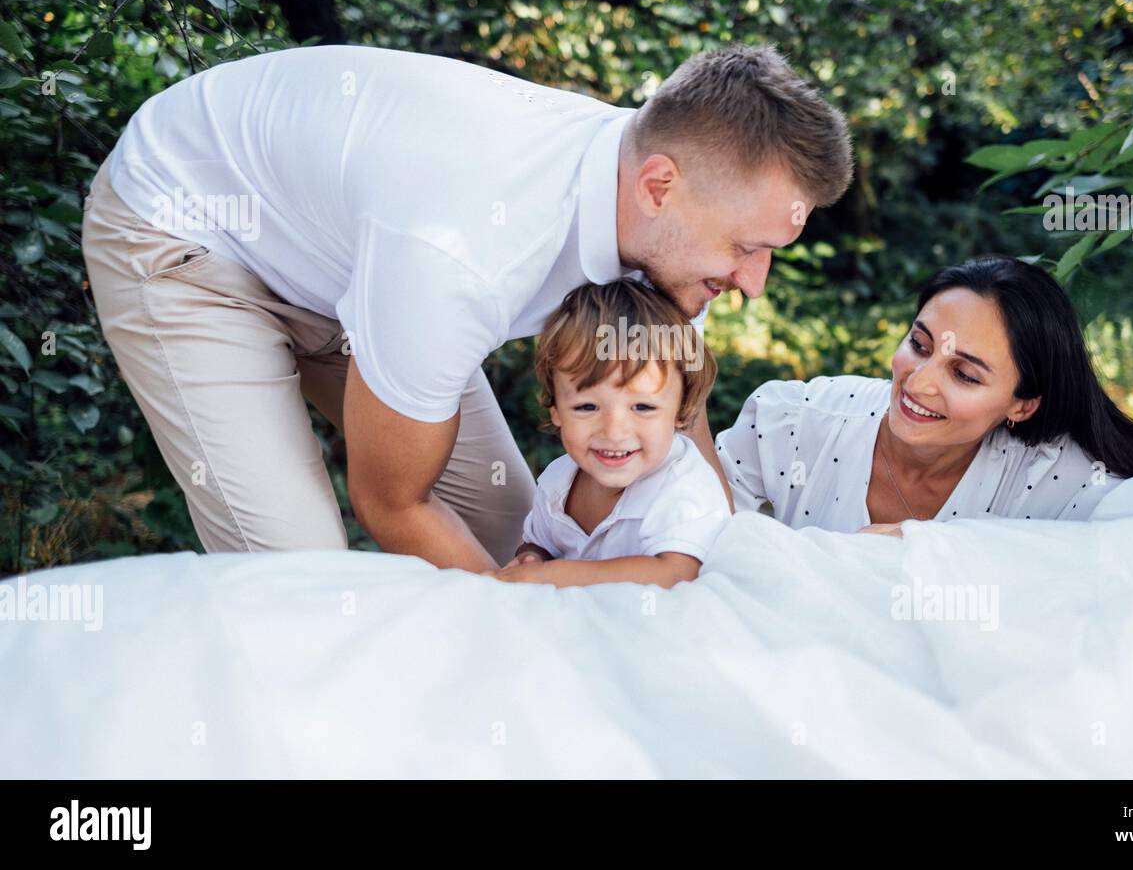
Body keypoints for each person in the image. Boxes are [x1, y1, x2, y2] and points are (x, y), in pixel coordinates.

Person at [80, 43, 852, 569]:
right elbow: (391, 501)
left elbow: (682, 427)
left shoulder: (678, 240)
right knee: (299, 574)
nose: (754, 282)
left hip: (356, 264)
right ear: (658, 186)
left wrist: (727, 577)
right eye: (748, 248)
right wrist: (521, 632)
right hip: (185, 232)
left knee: (522, 530)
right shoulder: (465, 251)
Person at [715, 256, 1133, 533]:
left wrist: (936, 548)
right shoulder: (796, 422)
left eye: (964, 374)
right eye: (918, 345)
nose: (918, 383)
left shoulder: (1055, 475)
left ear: (1022, 404)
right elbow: (682, 527)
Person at [493, 280, 730, 588]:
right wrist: (532, 559)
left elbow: (678, 574)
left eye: (643, 407)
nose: (614, 431)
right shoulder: (558, 482)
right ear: (556, 411)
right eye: (587, 407)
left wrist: (556, 575)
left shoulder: (684, 486)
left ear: (682, 411)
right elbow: (538, 543)